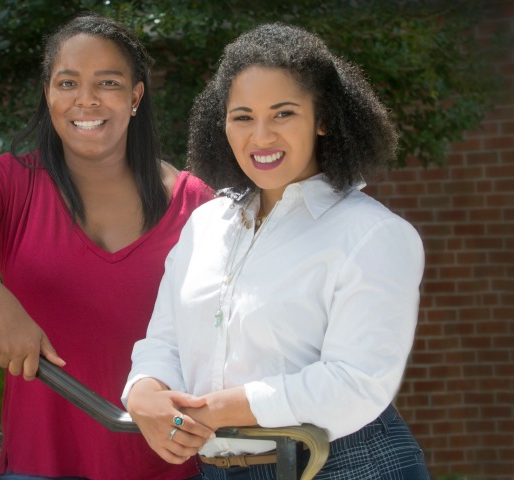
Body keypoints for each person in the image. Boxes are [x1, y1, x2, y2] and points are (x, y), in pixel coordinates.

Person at [0, 14, 213, 480]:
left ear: (135, 96)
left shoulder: (194, 201)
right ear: (48, 93)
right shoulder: (11, 180)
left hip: (168, 464)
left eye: (108, 82)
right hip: (40, 461)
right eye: (67, 82)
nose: (86, 99)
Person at [123, 22, 430, 479]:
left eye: (283, 113)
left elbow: (355, 383)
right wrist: (143, 391)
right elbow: (165, 342)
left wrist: (220, 408)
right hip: (220, 469)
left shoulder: (373, 234)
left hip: (342, 464)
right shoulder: (205, 226)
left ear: (323, 118)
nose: (261, 136)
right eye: (242, 116)